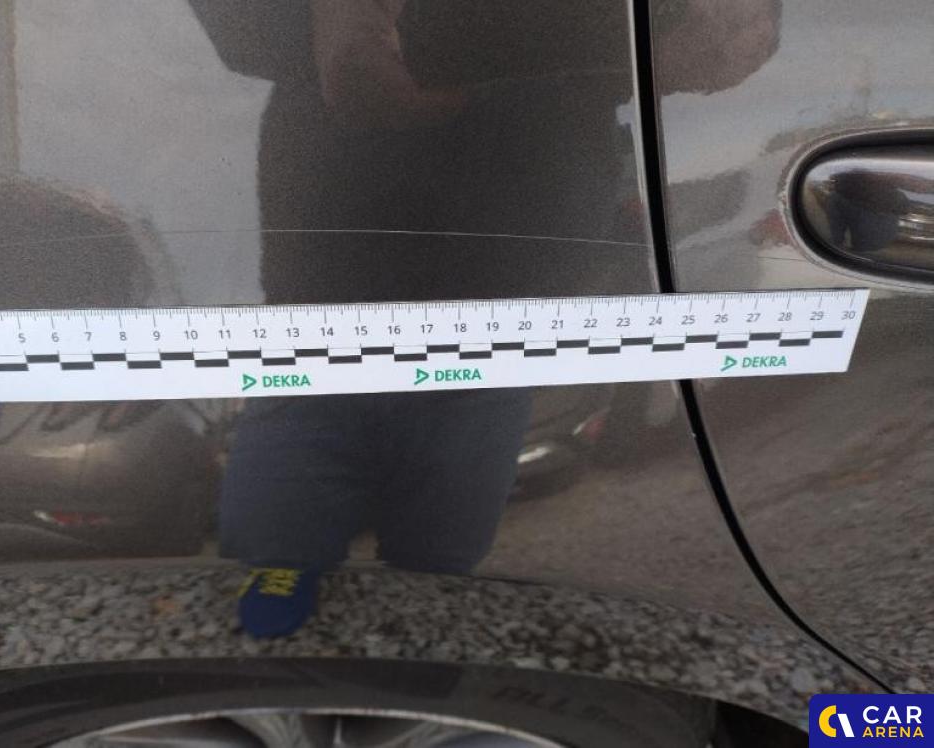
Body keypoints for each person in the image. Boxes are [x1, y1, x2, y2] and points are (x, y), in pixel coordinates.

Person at [192, 0, 782, 638]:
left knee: (455, 486)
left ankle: (430, 589)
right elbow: (237, 31)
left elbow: (694, 49)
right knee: (294, 462)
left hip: (499, 299)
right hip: (332, 285)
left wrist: (724, 17)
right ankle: (282, 565)